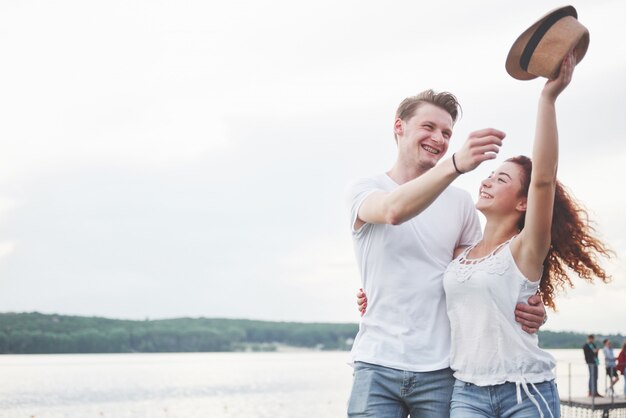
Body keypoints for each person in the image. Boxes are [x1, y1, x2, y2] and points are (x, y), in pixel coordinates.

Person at [357, 53, 612, 417]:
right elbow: (415, 264)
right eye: (490, 175)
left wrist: (548, 99)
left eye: (502, 178)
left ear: (524, 204)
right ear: (399, 126)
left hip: (524, 389)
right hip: (466, 391)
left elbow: (542, 178)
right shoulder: (460, 258)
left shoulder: (523, 247)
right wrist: (377, 292)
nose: (488, 179)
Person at [345, 88, 546, 416]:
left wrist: (530, 303)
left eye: (447, 133)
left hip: (442, 369)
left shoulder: (460, 203)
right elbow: (393, 211)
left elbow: (480, 276)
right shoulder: (365, 189)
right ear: (399, 126)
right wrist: (455, 165)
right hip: (376, 363)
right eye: (429, 127)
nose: (438, 138)